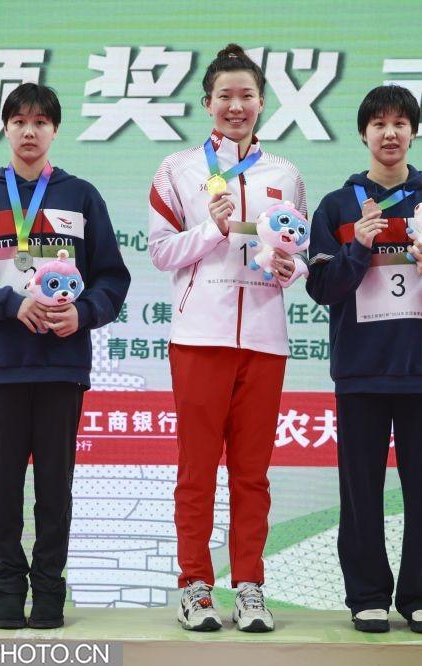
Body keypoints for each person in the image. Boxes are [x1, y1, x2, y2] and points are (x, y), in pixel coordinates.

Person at [0, 83, 130, 629]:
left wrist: (82, 314)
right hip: (0, 365)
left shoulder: (82, 196)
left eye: (40, 122)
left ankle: (48, 592)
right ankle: (7, 591)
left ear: (55, 130)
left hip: (61, 366)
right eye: (19, 121)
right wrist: (10, 303)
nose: (30, 131)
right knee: (3, 487)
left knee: (54, 487)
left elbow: (112, 278)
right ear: (5, 128)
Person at [148, 43, 308, 633]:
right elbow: (161, 252)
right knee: (196, 472)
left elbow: (301, 253)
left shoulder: (285, 175)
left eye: (246, 96)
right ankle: (195, 586)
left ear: (262, 102)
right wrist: (211, 230)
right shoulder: (177, 170)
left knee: (252, 475)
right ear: (208, 103)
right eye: (225, 96)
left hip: (265, 340)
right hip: (199, 337)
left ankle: (249, 587)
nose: (235, 106)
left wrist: (292, 269)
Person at [306, 85, 422, 634]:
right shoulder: (337, 206)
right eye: (378, 123)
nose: (389, 133)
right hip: (360, 370)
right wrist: (358, 247)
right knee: (360, 491)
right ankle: (367, 595)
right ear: (363, 133)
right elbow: (321, 288)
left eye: (400, 123)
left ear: (413, 133)